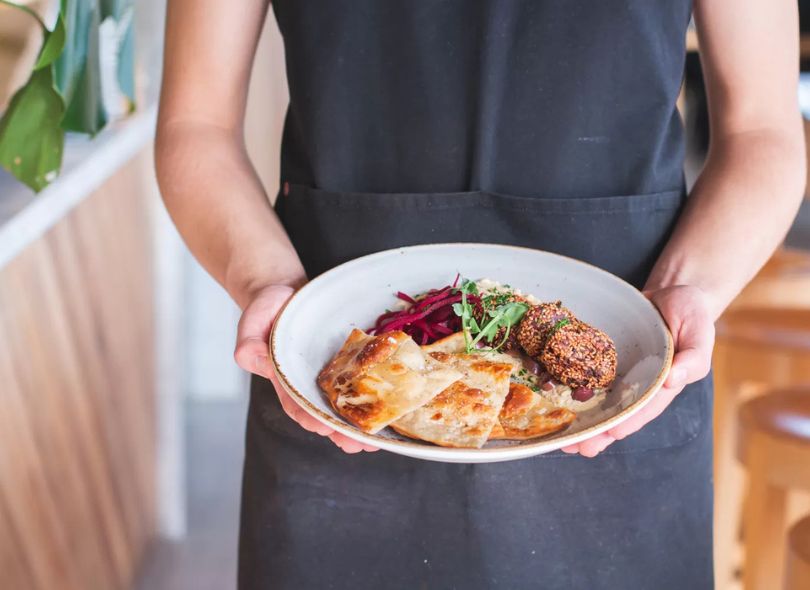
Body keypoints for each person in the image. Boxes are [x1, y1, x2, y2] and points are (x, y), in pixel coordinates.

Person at [156, 1, 805, 588]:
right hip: (339, 373)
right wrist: (266, 283)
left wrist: (686, 289)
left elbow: (762, 133)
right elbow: (197, 123)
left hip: (623, 384)